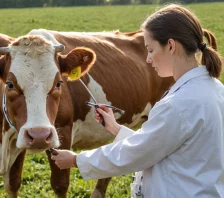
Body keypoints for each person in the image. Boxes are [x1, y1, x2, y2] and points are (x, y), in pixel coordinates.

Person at [51, 4, 224, 198]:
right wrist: (115, 128)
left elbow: (136, 154)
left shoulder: (177, 105)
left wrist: (76, 160)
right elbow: (156, 143)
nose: (148, 59)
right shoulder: (216, 90)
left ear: (171, 46)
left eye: (150, 50)